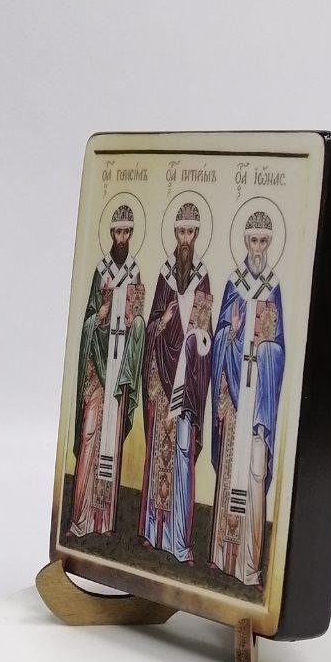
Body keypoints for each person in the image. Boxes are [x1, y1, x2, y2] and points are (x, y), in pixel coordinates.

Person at [209, 210, 285, 585]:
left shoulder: (273, 288)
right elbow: (219, 337)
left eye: (263, 241)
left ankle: (250, 566)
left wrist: (266, 347)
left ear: (269, 244)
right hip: (236, 402)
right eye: (253, 240)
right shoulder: (233, 284)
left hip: (258, 406)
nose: (258, 248)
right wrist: (233, 332)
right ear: (245, 242)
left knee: (254, 475)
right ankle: (223, 557)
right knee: (229, 473)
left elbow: (280, 349)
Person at [139, 202, 212, 564]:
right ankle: (154, 532)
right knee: (158, 457)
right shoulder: (165, 275)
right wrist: (163, 322)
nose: (185, 239)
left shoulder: (203, 278)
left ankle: (178, 542)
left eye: (190, 232)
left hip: (185, 385)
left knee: (182, 457)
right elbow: (152, 325)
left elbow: (207, 338)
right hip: (161, 382)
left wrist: (201, 335)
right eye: (181, 232)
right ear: (175, 234)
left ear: (196, 235)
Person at [68, 204, 145, 537]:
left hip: (118, 373)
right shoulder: (100, 271)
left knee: (111, 441)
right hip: (97, 369)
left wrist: (133, 323)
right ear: (111, 234)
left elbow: (139, 324)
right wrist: (98, 317)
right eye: (118, 232)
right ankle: (80, 517)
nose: (122, 238)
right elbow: (86, 322)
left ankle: (103, 521)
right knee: (89, 434)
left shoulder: (136, 272)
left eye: (127, 232)